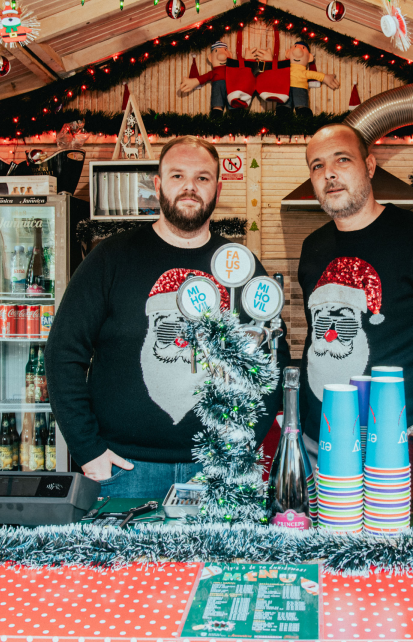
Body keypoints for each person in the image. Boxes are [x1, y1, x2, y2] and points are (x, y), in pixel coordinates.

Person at [47, 136, 287, 496]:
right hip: (124, 470)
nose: (189, 187)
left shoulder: (241, 269)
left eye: (202, 178)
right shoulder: (110, 259)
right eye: (177, 176)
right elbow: (63, 352)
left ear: (217, 189)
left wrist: (241, 446)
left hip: (216, 469)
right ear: (158, 185)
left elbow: (271, 365)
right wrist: (88, 449)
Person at [297, 123, 413, 496]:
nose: (329, 173)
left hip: (400, 446)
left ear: (369, 166)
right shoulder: (312, 247)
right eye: (317, 166)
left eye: (342, 160)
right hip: (321, 442)